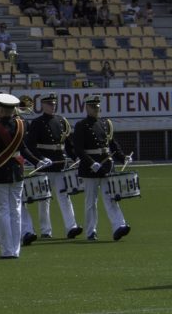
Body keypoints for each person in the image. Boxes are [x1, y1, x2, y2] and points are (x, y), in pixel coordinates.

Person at [0, 94, 44, 259]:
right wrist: (37, 161)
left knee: (3, 212)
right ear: (13, 109)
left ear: (0, 109)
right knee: (16, 211)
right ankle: (16, 249)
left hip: (0, 173)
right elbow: (24, 149)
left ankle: (7, 250)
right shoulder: (22, 125)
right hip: (17, 171)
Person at [24, 92, 83, 240]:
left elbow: (68, 145)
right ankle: (46, 230)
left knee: (65, 197)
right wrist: (41, 159)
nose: (53, 106)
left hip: (60, 164)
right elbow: (31, 145)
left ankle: (71, 227)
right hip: (45, 165)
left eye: (54, 104)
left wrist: (76, 157)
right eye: (50, 104)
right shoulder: (37, 123)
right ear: (43, 105)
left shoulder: (62, 121)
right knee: (44, 199)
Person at [74, 95, 132, 242]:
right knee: (90, 202)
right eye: (93, 107)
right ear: (87, 107)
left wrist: (123, 157)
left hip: (106, 166)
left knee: (111, 198)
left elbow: (112, 145)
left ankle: (119, 226)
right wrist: (90, 162)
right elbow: (78, 149)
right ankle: (91, 232)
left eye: (98, 107)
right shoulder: (81, 125)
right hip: (90, 168)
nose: (96, 110)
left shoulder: (106, 123)